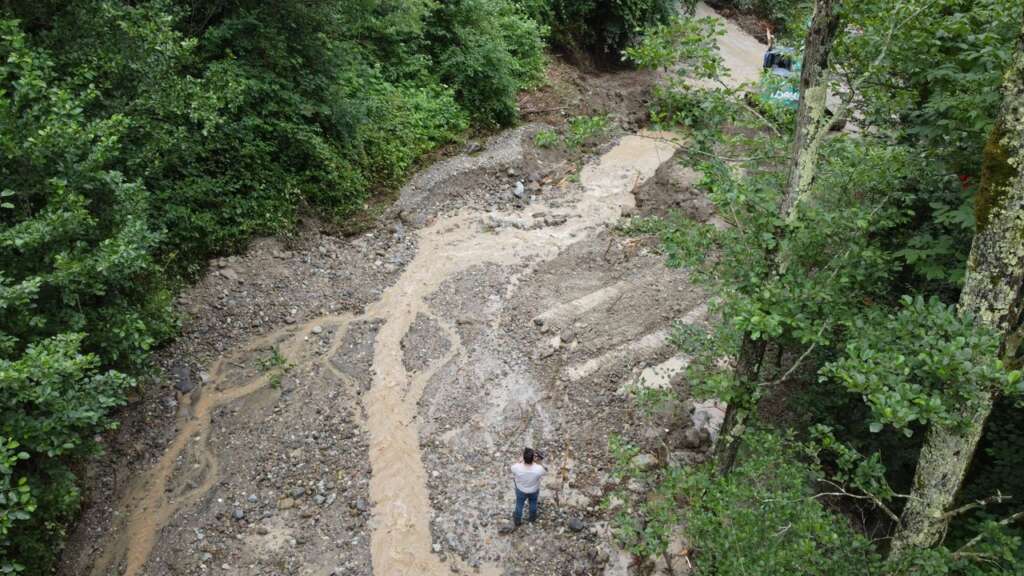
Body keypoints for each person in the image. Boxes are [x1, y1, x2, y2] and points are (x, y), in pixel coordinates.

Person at [510, 447, 546, 528]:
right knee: (533, 503)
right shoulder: (538, 469)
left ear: (523, 457)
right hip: (534, 490)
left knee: (519, 505)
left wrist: (519, 461)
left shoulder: (517, 467)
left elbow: (512, 468)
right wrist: (538, 462)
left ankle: (517, 521)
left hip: (521, 489)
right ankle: (532, 518)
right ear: (533, 458)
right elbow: (544, 472)